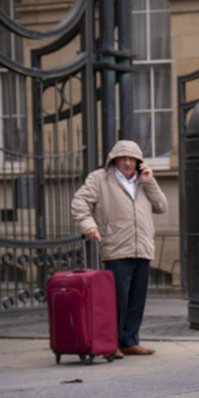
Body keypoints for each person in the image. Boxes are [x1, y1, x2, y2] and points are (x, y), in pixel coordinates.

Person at [71, 140, 168, 358]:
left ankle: (129, 341)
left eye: (131, 158)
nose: (127, 162)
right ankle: (110, 342)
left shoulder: (144, 181)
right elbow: (79, 202)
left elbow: (161, 206)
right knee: (117, 300)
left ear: (138, 162)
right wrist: (89, 225)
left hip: (142, 247)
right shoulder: (99, 179)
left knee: (136, 299)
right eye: (122, 158)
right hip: (116, 247)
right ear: (113, 160)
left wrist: (150, 181)